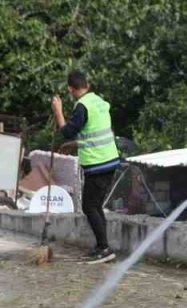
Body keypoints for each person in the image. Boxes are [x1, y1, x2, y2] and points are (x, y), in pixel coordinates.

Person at [52, 70, 120, 264]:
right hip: (109, 160)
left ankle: (104, 248)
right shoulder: (99, 102)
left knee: (89, 206)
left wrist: (58, 111)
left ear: (70, 89)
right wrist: (73, 145)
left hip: (97, 163)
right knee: (95, 205)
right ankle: (101, 247)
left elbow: (67, 131)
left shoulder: (82, 106)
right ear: (87, 85)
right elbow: (92, 132)